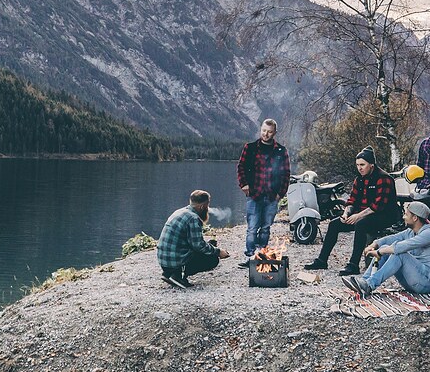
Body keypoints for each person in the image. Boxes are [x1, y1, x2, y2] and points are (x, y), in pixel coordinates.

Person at [303, 146, 398, 276]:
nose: (360, 168)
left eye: (362, 165)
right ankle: (322, 260)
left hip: (385, 215)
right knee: (334, 224)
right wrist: (346, 213)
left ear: (371, 165)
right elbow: (352, 201)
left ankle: (353, 265)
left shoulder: (383, 178)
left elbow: (378, 205)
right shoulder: (359, 179)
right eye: (358, 165)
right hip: (364, 214)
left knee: (361, 224)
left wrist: (358, 216)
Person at [342, 201, 430, 296]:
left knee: (401, 254)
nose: (403, 217)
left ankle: (369, 285)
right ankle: (364, 282)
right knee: (385, 247)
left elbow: (403, 246)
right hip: (416, 281)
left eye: (406, 214)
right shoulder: (411, 231)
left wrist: (379, 252)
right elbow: (393, 238)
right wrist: (374, 244)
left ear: (415, 218)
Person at [236, 119, 290, 268]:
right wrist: (244, 184)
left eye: (269, 131)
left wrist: (281, 193)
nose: (266, 134)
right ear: (261, 130)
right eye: (264, 131)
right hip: (254, 194)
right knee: (252, 228)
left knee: (266, 228)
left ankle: (261, 255)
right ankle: (250, 257)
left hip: (272, 196)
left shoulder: (281, 150)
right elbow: (241, 166)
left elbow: (286, 174)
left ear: (274, 133)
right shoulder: (250, 147)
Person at [157, 190, 230, 289]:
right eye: (207, 205)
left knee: (210, 246)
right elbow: (198, 246)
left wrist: (210, 246)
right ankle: (178, 275)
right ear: (202, 206)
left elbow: (190, 242)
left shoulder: (180, 211)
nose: (208, 209)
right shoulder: (193, 218)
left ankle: (168, 273)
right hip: (175, 262)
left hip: (164, 261)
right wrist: (218, 252)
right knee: (212, 259)